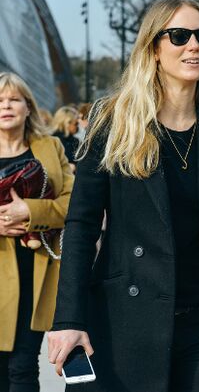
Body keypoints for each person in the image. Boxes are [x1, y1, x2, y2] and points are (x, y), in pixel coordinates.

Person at [47, 0, 199, 392]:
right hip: (126, 317)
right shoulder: (115, 122)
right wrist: (69, 319)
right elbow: (82, 226)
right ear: (154, 48)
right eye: (180, 36)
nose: (194, 45)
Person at [0, 72, 73, 392]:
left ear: (28, 107)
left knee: (23, 365)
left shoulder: (50, 147)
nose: (6, 106)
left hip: (36, 270)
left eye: (14, 99)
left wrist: (31, 212)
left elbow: (74, 202)